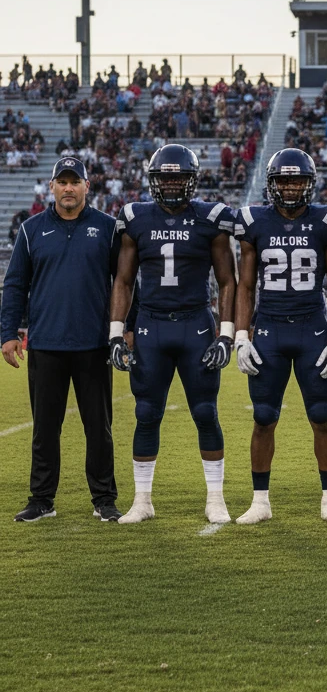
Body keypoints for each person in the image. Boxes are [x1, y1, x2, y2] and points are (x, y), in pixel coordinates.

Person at [109, 143, 237, 525]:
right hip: (150, 325)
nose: (171, 183)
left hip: (196, 323)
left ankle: (215, 498)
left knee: (205, 411)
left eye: (178, 177)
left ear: (191, 180)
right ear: (153, 180)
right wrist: (118, 333)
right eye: (165, 177)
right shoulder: (135, 217)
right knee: (146, 413)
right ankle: (142, 500)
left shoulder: (209, 219)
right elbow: (124, 280)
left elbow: (228, 281)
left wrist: (226, 335)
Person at [1, 157, 121, 522]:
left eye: (75, 182)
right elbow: (15, 284)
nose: (68, 188)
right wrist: (8, 333)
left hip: (94, 344)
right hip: (45, 345)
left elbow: (126, 284)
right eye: (62, 182)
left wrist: (125, 328)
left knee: (98, 429)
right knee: (45, 429)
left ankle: (104, 499)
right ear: (50, 186)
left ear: (88, 186)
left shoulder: (107, 228)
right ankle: (41, 500)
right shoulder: (31, 229)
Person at [232, 148, 327, 525]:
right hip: (269, 327)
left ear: (309, 183)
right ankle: (260, 500)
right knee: (264, 418)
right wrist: (240, 335)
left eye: (297, 179)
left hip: (312, 327)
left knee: (321, 415)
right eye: (284, 180)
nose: (291, 186)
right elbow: (245, 285)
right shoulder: (255, 221)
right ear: (272, 184)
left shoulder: (326, 221)